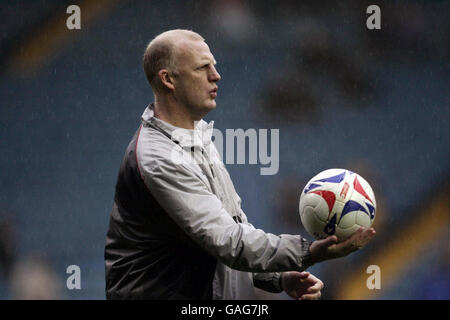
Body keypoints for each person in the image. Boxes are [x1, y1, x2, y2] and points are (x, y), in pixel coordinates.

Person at [104, 29, 376, 300]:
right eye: (202, 67)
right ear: (168, 79)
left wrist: (278, 278)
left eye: (214, 65)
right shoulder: (159, 159)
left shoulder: (196, 137)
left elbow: (225, 234)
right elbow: (228, 241)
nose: (216, 75)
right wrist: (310, 252)